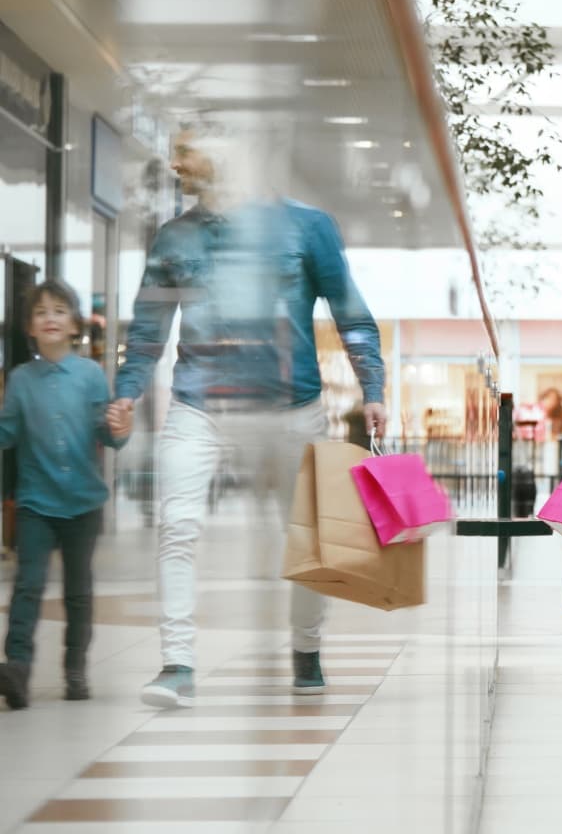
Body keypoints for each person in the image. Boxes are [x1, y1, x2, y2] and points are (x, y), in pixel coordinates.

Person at [113, 124, 388, 709]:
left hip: (292, 408)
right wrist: (126, 391)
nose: (177, 163)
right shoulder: (174, 239)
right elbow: (147, 329)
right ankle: (177, 664)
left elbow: (352, 313)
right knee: (177, 526)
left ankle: (306, 649)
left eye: (186, 151)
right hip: (199, 407)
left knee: (305, 537)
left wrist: (374, 387)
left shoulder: (307, 226)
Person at [0, 280, 132, 709]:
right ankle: (16, 668)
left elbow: (106, 435)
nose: (50, 318)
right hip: (36, 502)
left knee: (78, 590)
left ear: (74, 324)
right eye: (40, 313)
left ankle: (75, 667)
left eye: (59, 310)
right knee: (28, 585)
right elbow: (8, 433)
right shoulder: (20, 380)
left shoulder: (91, 375)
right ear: (30, 328)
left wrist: (119, 431)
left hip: (82, 503)